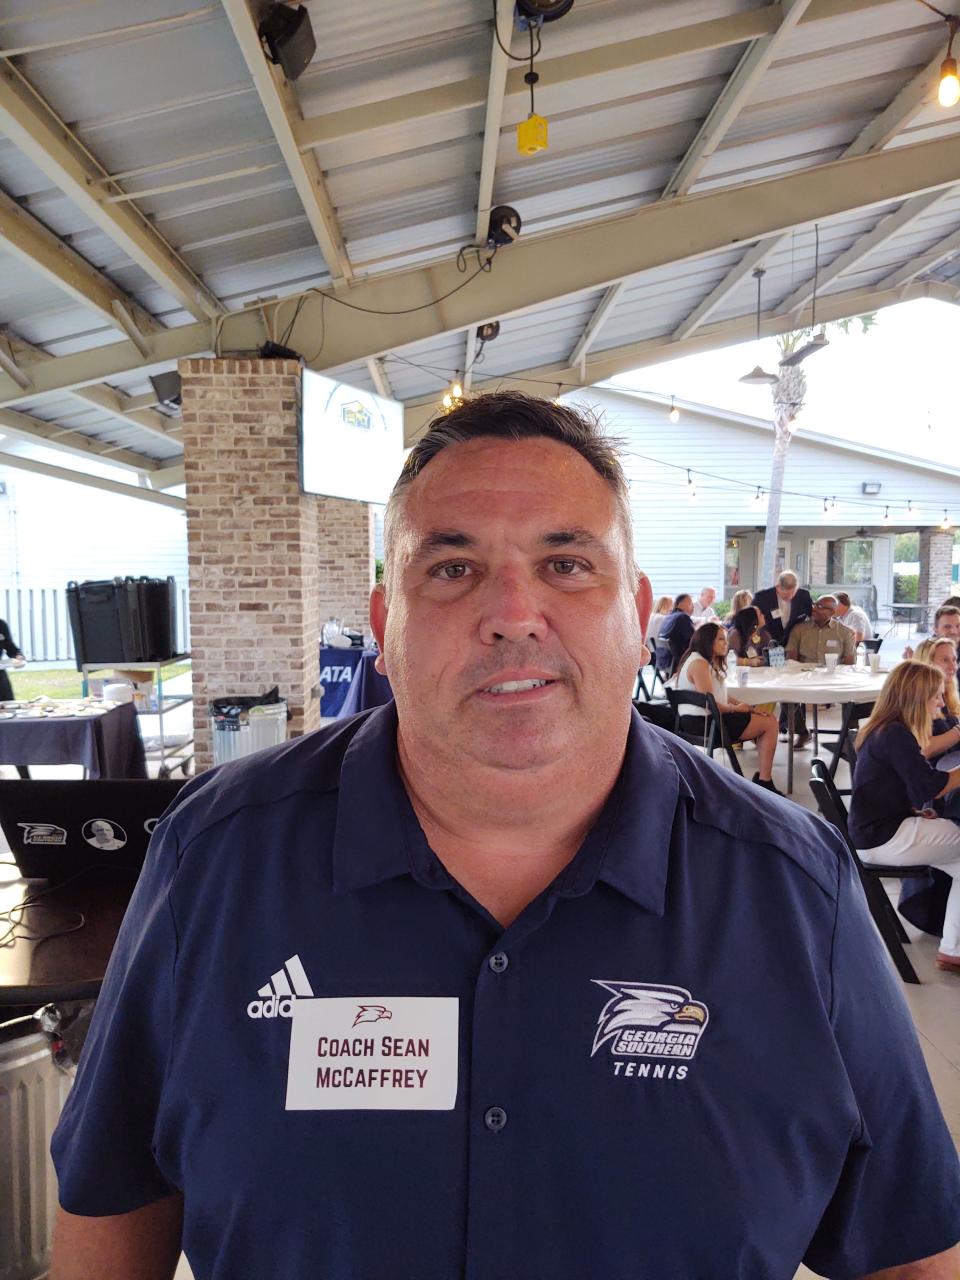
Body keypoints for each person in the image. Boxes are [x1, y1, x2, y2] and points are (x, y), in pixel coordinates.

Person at [49, 392, 960, 1280]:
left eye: (566, 564)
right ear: (383, 628)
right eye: (451, 569)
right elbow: (101, 1249)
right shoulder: (216, 857)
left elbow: (914, 1255)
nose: (514, 613)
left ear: (637, 618)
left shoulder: (794, 888)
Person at [848, 660, 960, 974]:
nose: (941, 701)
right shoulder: (896, 734)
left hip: (875, 831)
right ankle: (952, 947)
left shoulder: (885, 728)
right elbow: (931, 786)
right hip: (883, 837)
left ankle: (953, 949)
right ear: (916, 697)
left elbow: (909, 788)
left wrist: (915, 810)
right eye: (935, 696)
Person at [673, 622, 780, 792]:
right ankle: (765, 781)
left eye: (726, 639)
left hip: (705, 719)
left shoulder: (702, 661)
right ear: (708, 641)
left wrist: (748, 708)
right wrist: (737, 709)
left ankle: (763, 779)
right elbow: (712, 704)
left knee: (765, 719)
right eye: (721, 639)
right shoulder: (699, 665)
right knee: (770, 723)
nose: (726, 643)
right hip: (704, 724)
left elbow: (718, 696)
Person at [784, 595, 857, 750]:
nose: (814, 608)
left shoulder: (844, 633)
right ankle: (802, 732)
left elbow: (850, 663)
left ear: (832, 611)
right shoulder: (799, 629)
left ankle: (849, 738)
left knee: (852, 696)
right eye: (814, 604)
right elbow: (791, 659)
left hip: (833, 678)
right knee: (784, 694)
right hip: (803, 677)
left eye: (820, 607)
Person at [915, 637, 960, 758]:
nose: (953, 666)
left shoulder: (947, 692)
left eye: (954, 660)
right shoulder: (919, 698)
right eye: (945, 660)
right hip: (935, 772)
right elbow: (922, 749)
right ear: (926, 663)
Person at [0, 616, 29, 780]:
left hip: (1, 682)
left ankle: (26, 778)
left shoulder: (0, 624)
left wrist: (18, 657)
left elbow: (11, 648)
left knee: (12, 727)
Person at [752, 570, 812, 647]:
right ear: (777, 587)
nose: (790, 597)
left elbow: (811, 616)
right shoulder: (761, 597)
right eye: (786, 595)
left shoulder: (804, 596)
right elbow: (752, 621)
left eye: (792, 594)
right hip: (768, 644)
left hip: (794, 645)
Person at [657, 592, 694, 671]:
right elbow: (694, 639)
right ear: (679, 604)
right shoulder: (683, 617)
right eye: (690, 604)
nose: (692, 607)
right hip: (678, 661)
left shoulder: (668, 617)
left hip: (664, 659)